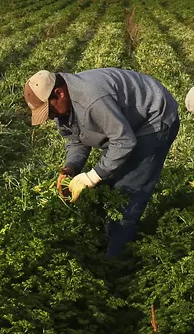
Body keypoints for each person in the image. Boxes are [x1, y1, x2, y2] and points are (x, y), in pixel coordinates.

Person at [24, 68, 180, 258]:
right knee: (106, 184)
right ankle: (104, 241)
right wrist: (70, 168)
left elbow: (124, 142)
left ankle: (116, 261)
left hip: (153, 117)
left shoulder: (91, 100)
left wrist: (91, 176)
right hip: (124, 126)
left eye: (49, 110)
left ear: (59, 93)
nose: (50, 117)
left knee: (125, 194)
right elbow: (76, 140)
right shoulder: (64, 107)